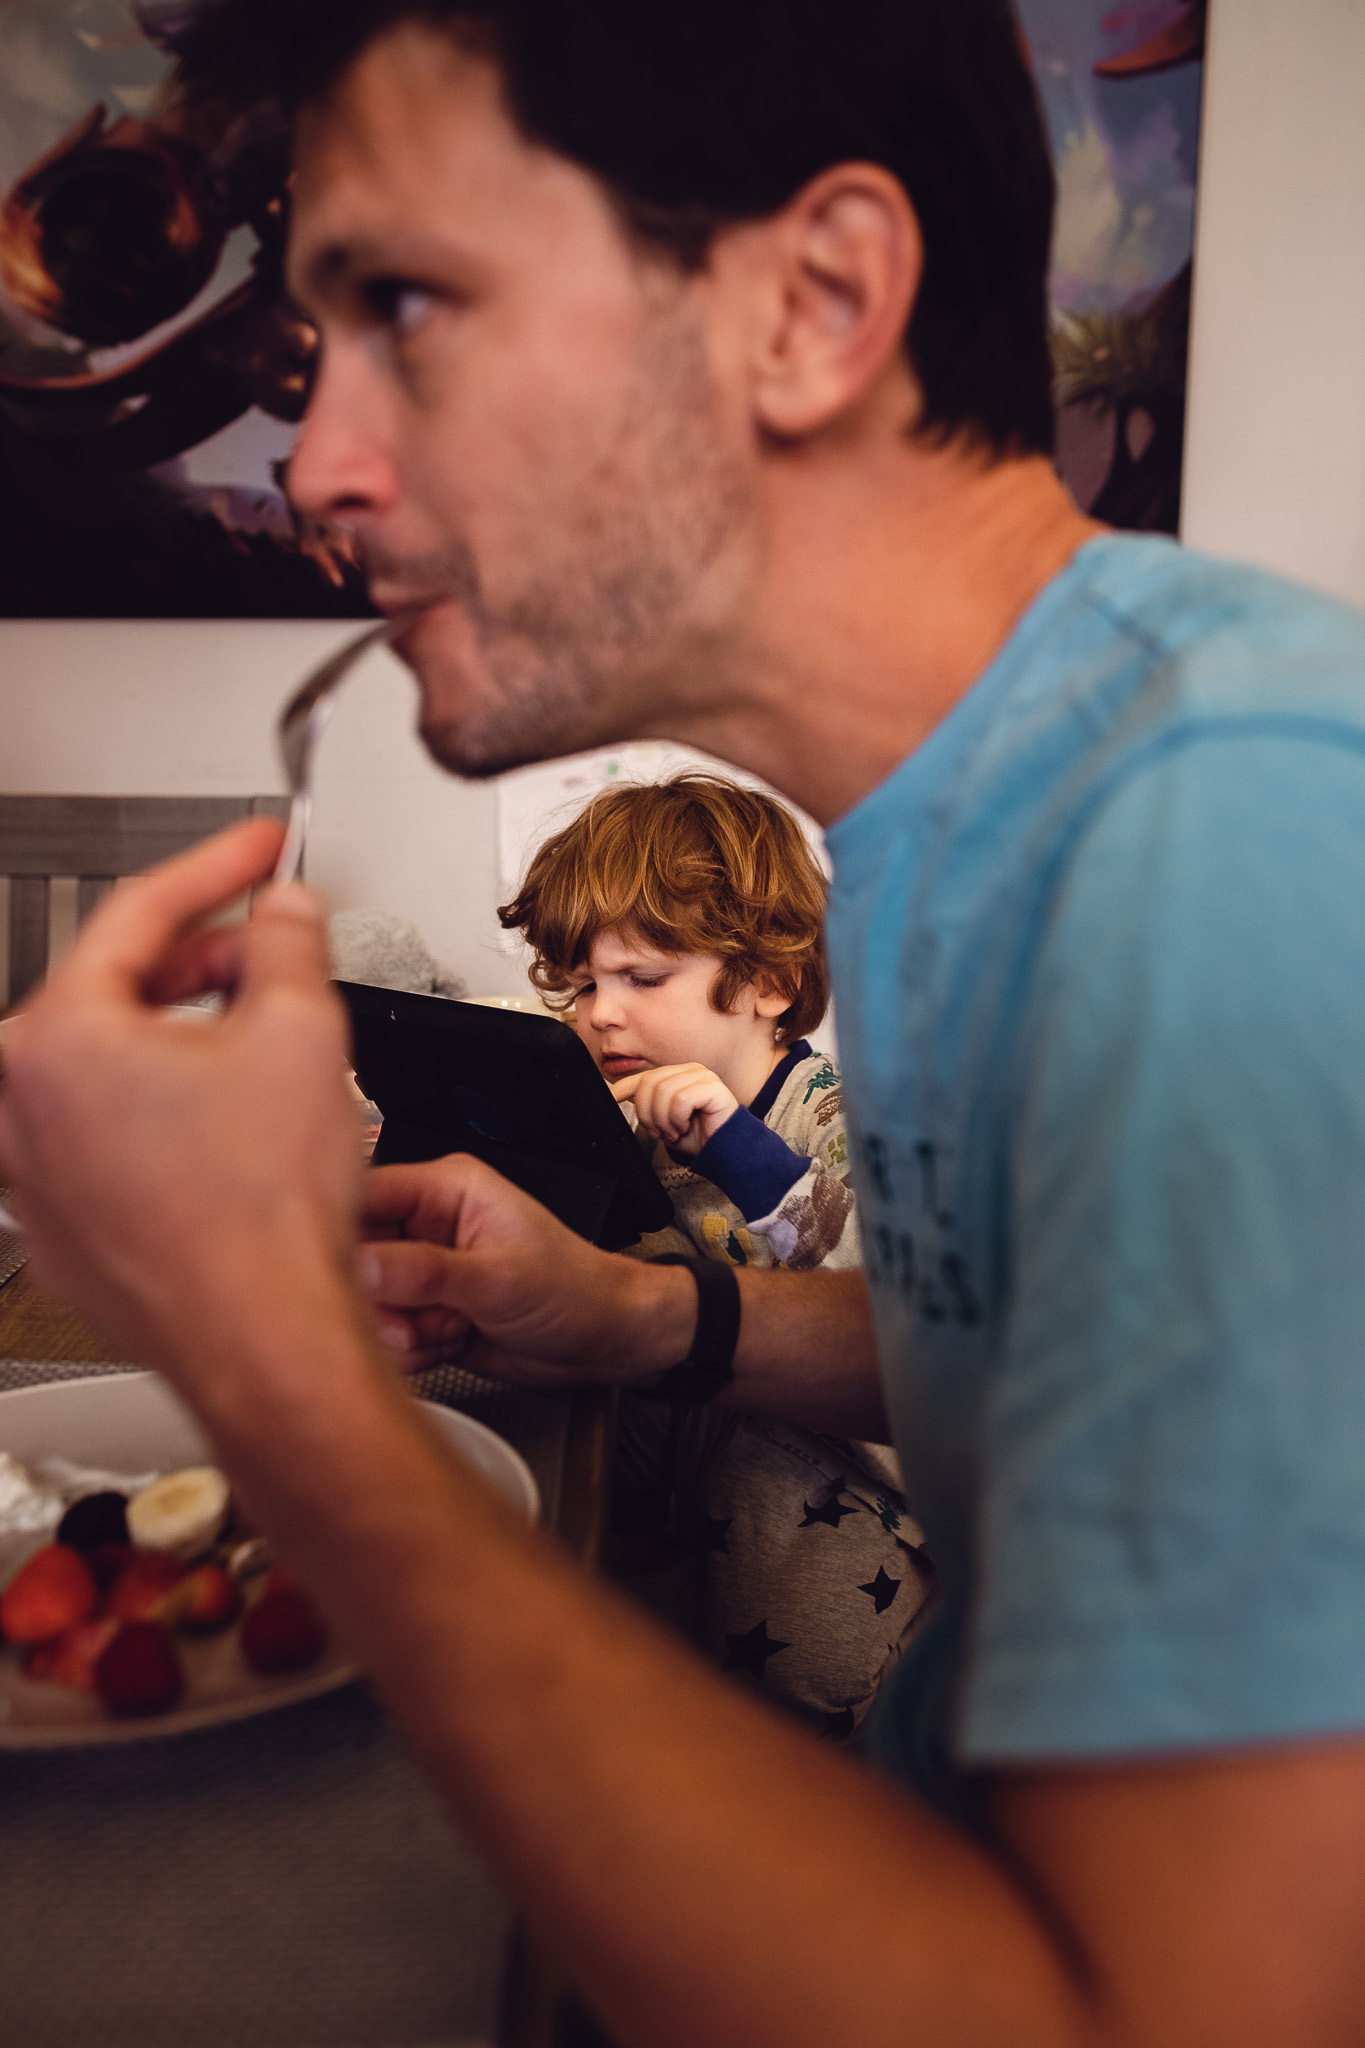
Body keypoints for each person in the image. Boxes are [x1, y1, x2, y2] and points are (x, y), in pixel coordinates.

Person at [3, 4, 1365, 2044]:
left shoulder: (1218, 846)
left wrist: (266, 1363)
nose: (320, 465)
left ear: (813, 303)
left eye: (409, 307)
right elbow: (1038, 1336)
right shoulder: (951, 817)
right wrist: (642, 1313)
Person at [499, 772, 930, 1735]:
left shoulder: (836, 1113)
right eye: (580, 986)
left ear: (769, 984)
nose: (601, 1012)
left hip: (850, 1493)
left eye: (642, 979)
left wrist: (737, 1147)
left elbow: (888, 1306)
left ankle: (825, 1746)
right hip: (679, 1477)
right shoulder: (628, 1108)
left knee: (768, 1496)